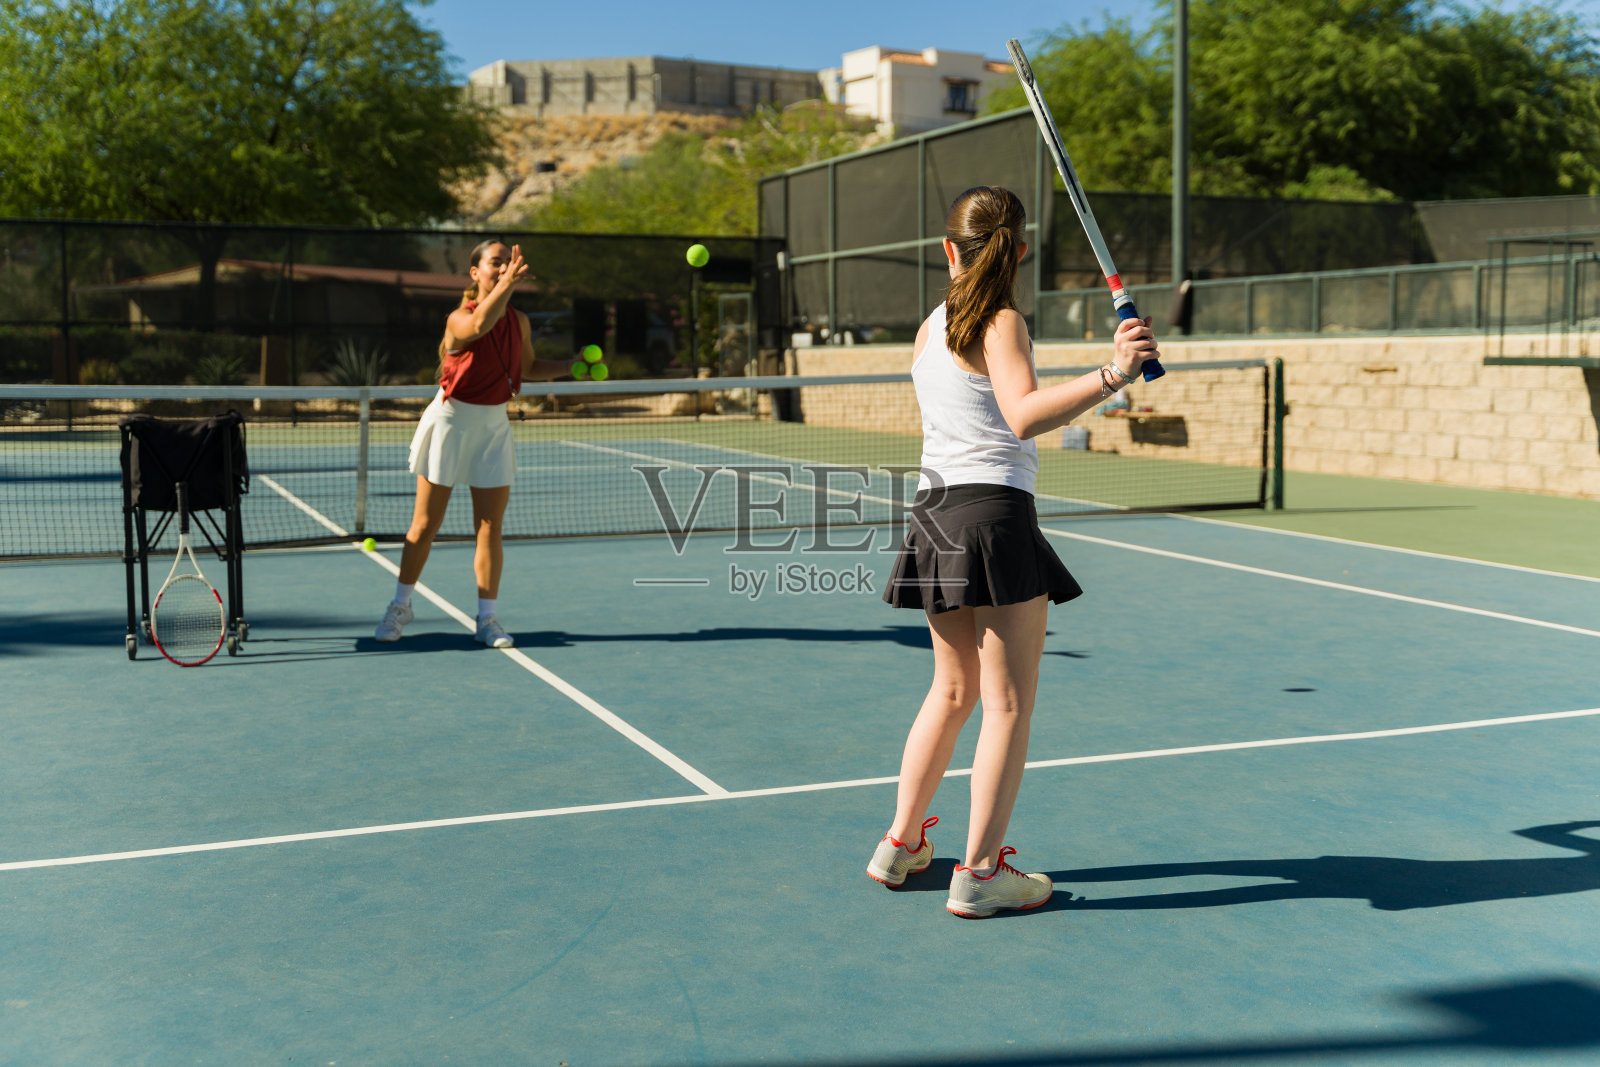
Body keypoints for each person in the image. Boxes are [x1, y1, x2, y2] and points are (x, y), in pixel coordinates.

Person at [867, 186, 1160, 918]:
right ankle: (982, 873)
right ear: (1019, 250)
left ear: (948, 250)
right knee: (1005, 704)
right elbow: (1022, 415)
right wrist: (1114, 373)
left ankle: (900, 844)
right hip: (992, 514)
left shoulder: (929, 326)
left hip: (935, 515)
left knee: (952, 690)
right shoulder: (1001, 322)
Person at [374, 239, 572, 647]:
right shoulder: (458, 319)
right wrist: (508, 284)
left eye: (507, 263)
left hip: (493, 425)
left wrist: (573, 369)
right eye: (495, 263)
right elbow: (481, 324)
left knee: (489, 527)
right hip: (451, 423)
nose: (502, 268)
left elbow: (529, 367)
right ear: (475, 273)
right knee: (425, 525)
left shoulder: (519, 322)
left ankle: (487, 619)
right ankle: (400, 607)